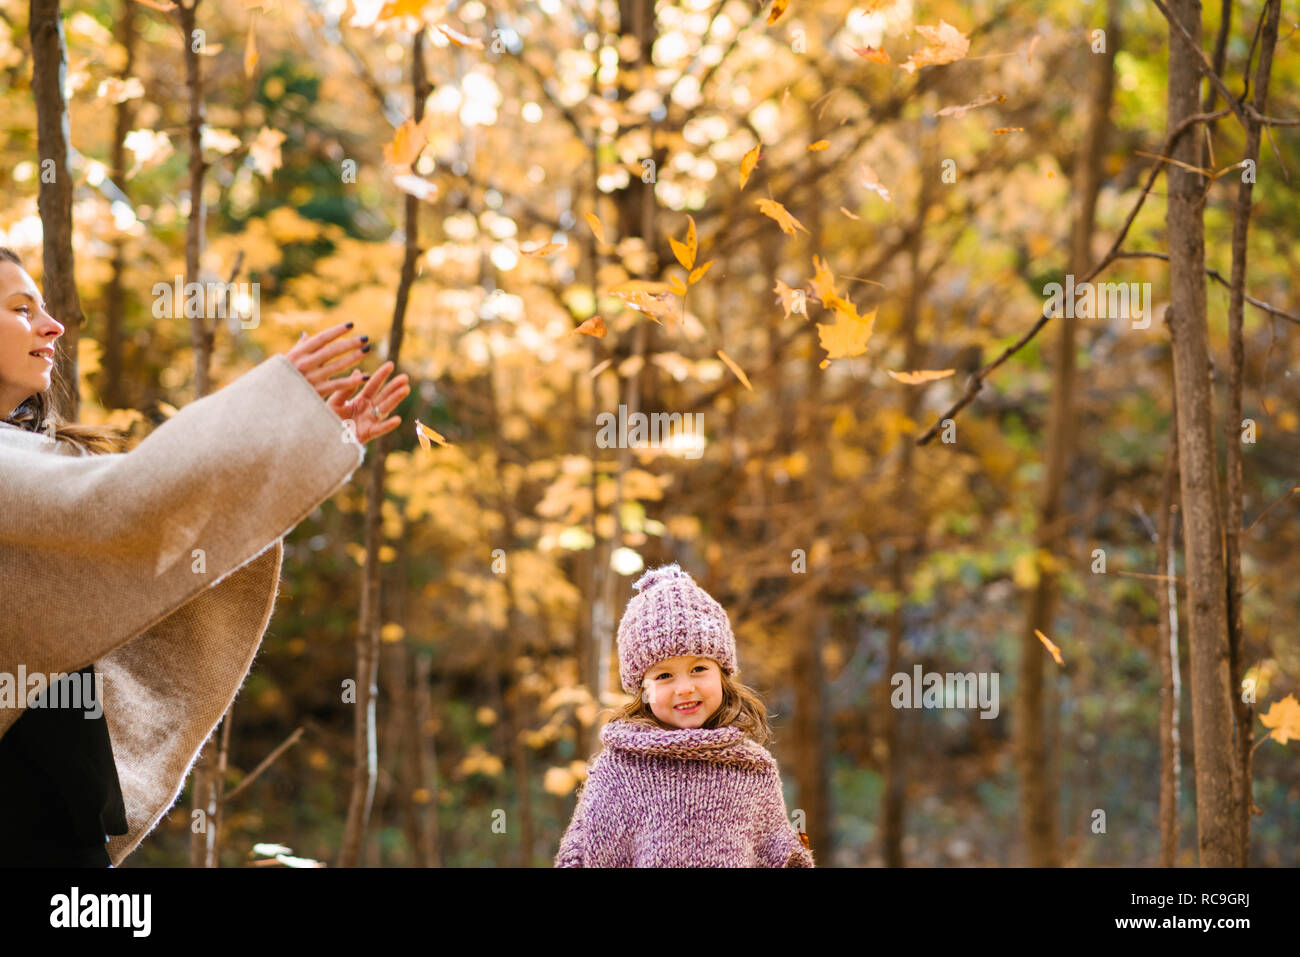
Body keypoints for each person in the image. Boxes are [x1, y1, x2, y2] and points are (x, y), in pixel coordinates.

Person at [0, 246, 410, 867]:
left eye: (47, 308)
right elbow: (122, 502)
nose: (52, 325)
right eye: (20, 309)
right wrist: (274, 410)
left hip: (67, 812)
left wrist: (302, 440)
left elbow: (160, 529)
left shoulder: (43, 460)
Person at [555, 564, 815, 867]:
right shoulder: (617, 772)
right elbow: (579, 858)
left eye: (699, 669)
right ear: (643, 690)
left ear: (723, 674)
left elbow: (781, 855)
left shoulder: (752, 771)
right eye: (665, 675)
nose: (685, 688)